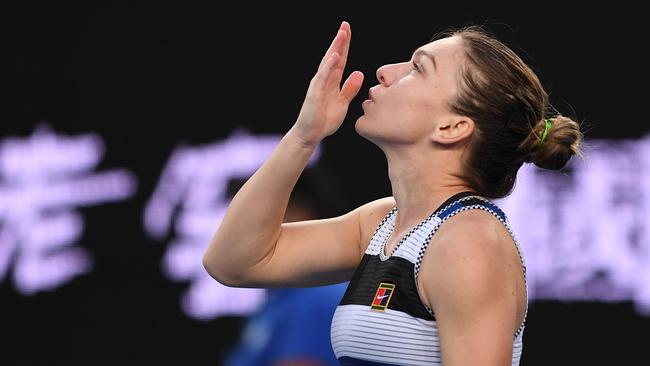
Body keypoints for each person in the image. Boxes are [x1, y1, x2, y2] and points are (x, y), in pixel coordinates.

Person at [204, 21, 583, 366]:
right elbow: (234, 262)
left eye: (418, 68)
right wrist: (304, 136)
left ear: (452, 126)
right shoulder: (381, 224)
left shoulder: (468, 240)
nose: (386, 71)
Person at [222, 167, 349, 366]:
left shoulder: (318, 297)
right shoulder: (281, 298)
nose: (241, 227)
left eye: (251, 214)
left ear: (296, 216)